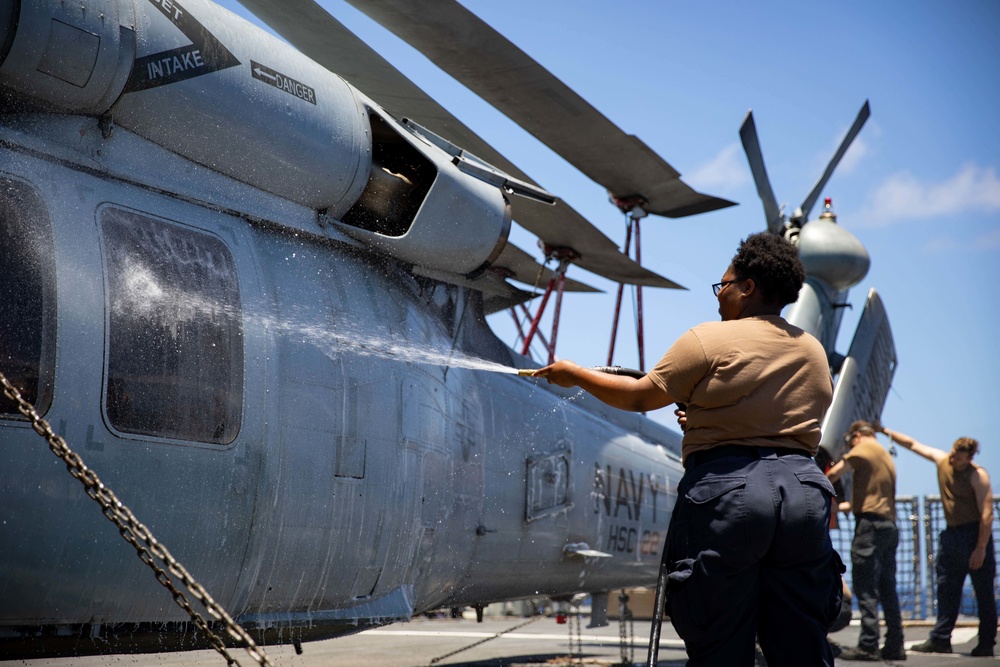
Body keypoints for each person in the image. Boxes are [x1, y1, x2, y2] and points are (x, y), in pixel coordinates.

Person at [533, 232, 843, 667]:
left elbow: (641, 395)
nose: (719, 298)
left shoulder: (709, 339)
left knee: (719, 638)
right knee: (801, 643)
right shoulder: (811, 350)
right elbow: (787, 418)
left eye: (724, 286)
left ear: (748, 288)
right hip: (802, 494)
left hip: (730, 492)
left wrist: (576, 374)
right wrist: (708, 418)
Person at [878, 425, 996, 656]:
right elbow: (912, 444)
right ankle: (941, 638)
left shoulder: (977, 476)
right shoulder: (943, 461)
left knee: (983, 592)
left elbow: (987, 514)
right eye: (952, 454)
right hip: (952, 535)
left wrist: (981, 548)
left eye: (959, 458)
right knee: (946, 588)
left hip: (975, 535)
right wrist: (884, 430)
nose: (953, 460)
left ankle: (986, 643)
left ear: (969, 458)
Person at [825, 421, 905, 661]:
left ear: (857, 436)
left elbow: (833, 474)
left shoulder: (863, 448)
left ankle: (869, 644)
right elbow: (871, 499)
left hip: (869, 528)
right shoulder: (883, 454)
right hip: (889, 525)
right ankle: (895, 644)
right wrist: (840, 508)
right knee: (887, 588)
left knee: (865, 587)